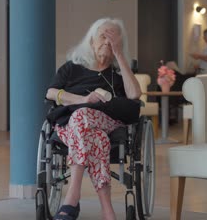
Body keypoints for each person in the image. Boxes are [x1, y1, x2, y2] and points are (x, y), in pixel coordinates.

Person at [46, 18, 141, 220]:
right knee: (96, 137)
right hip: (70, 125)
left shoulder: (117, 73)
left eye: (114, 39)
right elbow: (51, 93)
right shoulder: (72, 68)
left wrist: (120, 55)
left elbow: (134, 95)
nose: (108, 42)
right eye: (103, 36)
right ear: (91, 41)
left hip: (108, 122)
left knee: (83, 116)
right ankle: (108, 211)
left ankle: (72, 197)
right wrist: (83, 99)